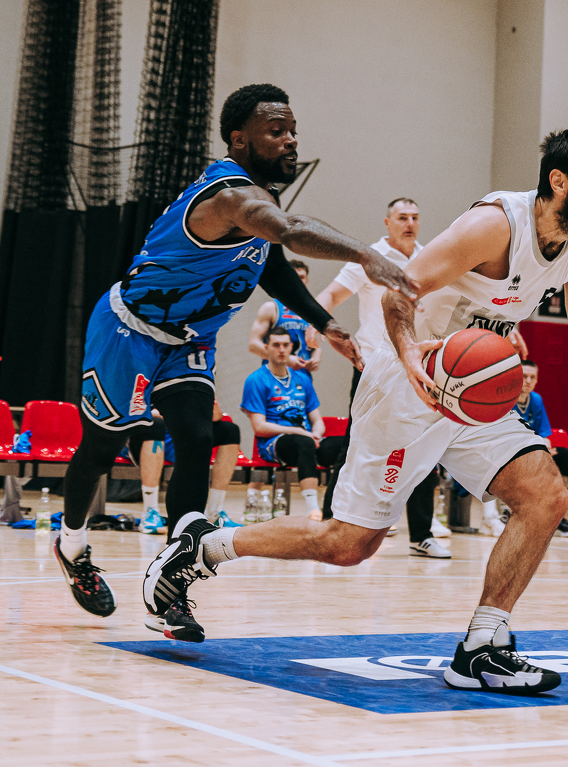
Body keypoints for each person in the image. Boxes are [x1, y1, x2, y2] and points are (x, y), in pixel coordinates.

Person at [142, 126, 568, 696]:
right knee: (348, 544)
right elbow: (399, 289)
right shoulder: (496, 225)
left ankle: (482, 649)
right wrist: (410, 353)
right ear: (559, 181)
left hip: (472, 392)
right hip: (409, 381)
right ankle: (204, 546)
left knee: (546, 497)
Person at [55, 83, 416, 623]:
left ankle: (170, 582)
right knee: (102, 448)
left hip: (190, 340)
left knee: (198, 439)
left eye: (293, 131)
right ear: (239, 139)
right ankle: (72, 545)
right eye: (276, 131)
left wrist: (325, 324)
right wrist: (366, 254)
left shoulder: (261, 199)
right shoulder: (229, 196)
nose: (291, 141)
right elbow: (289, 232)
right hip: (131, 331)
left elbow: (271, 264)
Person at [315, 197, 451, 556]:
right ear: (387, 222)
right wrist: (315, 326)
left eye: (415, 217)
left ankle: (421, 535)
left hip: (416, 364)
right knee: (356, 445)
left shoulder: (428, 256)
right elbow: (331, 294)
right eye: (402, 217)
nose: (410, 223)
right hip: (373, 367)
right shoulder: (370, 258)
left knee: (424, 448)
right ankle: (331, 521)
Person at [240, 327, 340, 521]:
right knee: (304, 443)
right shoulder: (256, 380)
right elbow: (259, 427)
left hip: (307, 440)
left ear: (291, 347)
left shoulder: (302, 379)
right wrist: (300, 433)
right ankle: (313, 509)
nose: (281, 350)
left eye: (286, 345)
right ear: (266, 348)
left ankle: (336, 508)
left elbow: (317, 420)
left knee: (345, 446)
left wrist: (316, 434)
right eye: (276, 345)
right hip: (274, 444)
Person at [127, 400, 244, 534]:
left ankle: (214, 511)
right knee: (156, 424)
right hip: (144, 435)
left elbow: (216, 416)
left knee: (229, 430)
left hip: (181, 434)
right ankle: (150, 512)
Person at [512, 359, 568, 537]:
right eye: (524, 376)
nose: (528, 381)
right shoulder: (506, 400)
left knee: (564, 455)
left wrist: (545, 446)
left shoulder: (536, 399)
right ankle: (516, 512)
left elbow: (543, 433)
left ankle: (559, 514)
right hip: (511, 450)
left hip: (533, 449)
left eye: (532, 377)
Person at [247, 258, 320, 373]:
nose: (298, 281)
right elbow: (253, 345)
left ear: (306, 280)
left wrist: (316, 358)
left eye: (301, 277)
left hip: (302, 377)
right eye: (295, 277)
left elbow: (315, 345)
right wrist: (286, 359)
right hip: (274, 376)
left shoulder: (311, 311)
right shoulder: (271, 308)